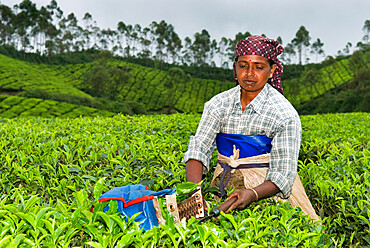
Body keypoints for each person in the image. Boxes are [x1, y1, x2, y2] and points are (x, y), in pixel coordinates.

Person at [183, 35, 319, 222]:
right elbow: (198, 150)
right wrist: (194, 195)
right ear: (235, 67)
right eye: (243, 65)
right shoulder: (218, 104)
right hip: (225, 185)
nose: (249, 73)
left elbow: (283, 175)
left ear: (272, 71)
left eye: (259, 67)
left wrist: (253, 194)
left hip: (268, 192)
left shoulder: (284, 114)